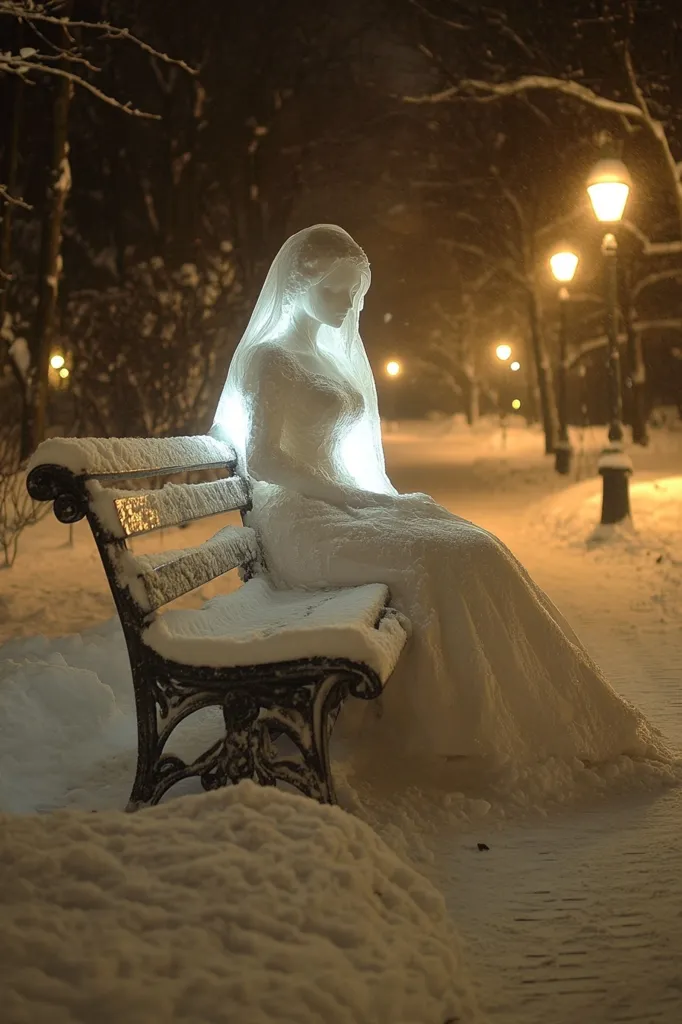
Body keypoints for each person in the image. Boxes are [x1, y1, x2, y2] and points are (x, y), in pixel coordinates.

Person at [211, 224, 668, 774]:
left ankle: (532, 711)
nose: (345, 303)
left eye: (352, 292)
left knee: (476, 544)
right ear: (298, 285)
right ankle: (461, 725)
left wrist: (371, 498)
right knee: (442, 555)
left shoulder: (330, 360)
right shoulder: (270, 359)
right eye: (333, 289)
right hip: (302, 520)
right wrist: (350, 499)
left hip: (339, 505)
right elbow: (263, 461)